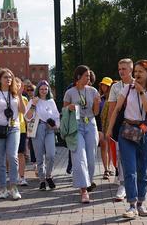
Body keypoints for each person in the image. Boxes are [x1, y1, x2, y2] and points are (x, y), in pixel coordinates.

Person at [107, 60, 147, 219]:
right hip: (127, 131)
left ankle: (141, 203)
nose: (136, 75)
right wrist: (109, 129)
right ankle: (131, 206)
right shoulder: (126, 89)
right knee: (129, 170)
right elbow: (117, 109)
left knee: (142, 171)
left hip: (145, 130)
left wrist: (142, 93)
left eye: (140, 72)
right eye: (135, 71)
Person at [0, 68, 26, 200]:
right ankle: (3, 188)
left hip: (14, 128)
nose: (8, 79)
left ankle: (13, 187)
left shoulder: (14, 94)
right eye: (5, 77)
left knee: (12, 156)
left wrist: (19, 95)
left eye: (10, 77)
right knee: (0, 160)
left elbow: (23, 111)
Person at [63, 65, 101, 203]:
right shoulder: (70, 92)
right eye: (86, 75)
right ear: (78, 77)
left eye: (90, 76)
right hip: (76, 125)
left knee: (91, 157)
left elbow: (96, 112)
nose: (89, 78)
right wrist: (70, 107)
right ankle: (84, 189)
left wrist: (97, 103)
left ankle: (88, 182)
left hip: (90, 123)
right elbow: (64, 109)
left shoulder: (93, 91)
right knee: (79, 156)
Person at [107, 58, 135, 201]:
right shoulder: (116, 87)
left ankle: (134, 181)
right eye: (119, 69)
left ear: (131, 69)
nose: (121, 71)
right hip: (120, 125)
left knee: (138, 156)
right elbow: (112, 109)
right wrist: (110, 127)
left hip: (136, 125)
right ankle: (123, 184)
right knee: (121, 154)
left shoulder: (138, 85)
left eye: (124, 68)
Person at [25, 80, 60, 191]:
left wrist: (55, 126)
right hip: (37, 128)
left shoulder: (51, 101)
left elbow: (56, 116)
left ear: (48, 90)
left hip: (49, 129)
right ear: (38, 90)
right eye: (41, 89)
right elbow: (27, 117)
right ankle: (42, 180)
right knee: (39, 156)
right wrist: (33, 105)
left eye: (46, 89)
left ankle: (48, 175)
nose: (44, 91)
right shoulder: (33, 101)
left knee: (51, 155)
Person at [96, 77, 113, 180]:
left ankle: (110, 166)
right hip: (101, 127)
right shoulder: (100, 98)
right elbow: (96, 114)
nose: (104, 87)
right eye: (102, 85)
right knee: (103, 146)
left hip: (111, 126)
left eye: (106, 85)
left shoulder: (114, 99)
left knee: (111, 148)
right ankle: (106, 169)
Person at [16, 77, 29, 186]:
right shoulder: (8, 97)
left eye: (19, 85)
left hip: (21, 129)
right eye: (15, 85)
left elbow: (25, 114)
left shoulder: (24, 98)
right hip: (9, 129)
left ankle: (22, 177)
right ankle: (12, 175)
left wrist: (29, 130)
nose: (17, 87)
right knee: (10, 155)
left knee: (21, 154)